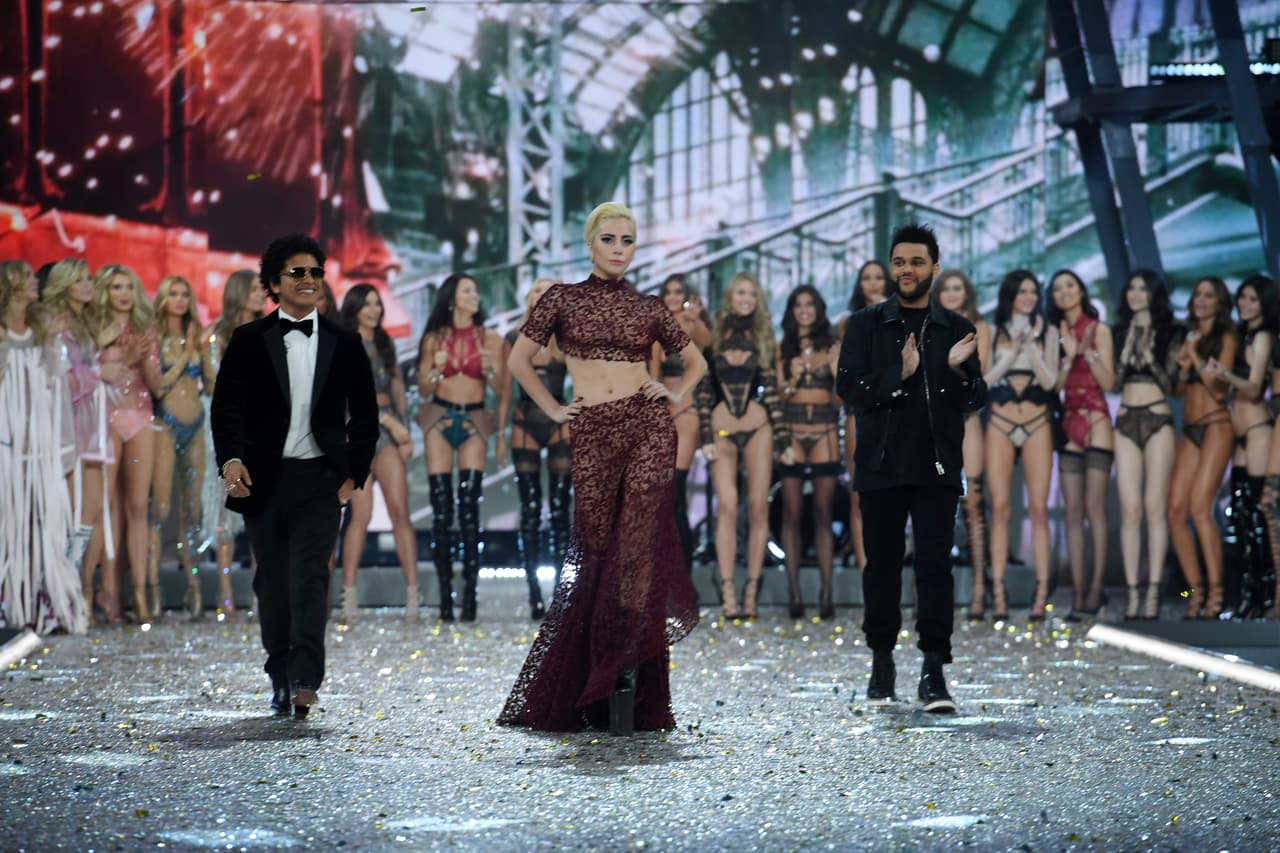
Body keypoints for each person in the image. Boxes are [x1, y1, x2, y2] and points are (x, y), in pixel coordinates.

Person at [498, 202, 706, 735]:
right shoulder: (561, 299)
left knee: (634, 549)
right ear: (590, 244)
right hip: (591, 430)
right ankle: (596, 675)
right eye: (609, 239)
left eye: (627, 241)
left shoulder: (649, 306)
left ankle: (626, 676)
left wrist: (674, 393)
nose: (618, 249)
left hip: (647, 426)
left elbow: (697, 362)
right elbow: (518, 360)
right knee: (595, 549)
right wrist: (552, 408)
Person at [212, 233, 377, 718]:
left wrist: (355, 474)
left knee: (311, 578)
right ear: (274, 282)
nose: (309, 280)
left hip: (321, 479)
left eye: (315, 272)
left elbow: (365, 414)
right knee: (272, 582)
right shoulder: (249, 340)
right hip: (263, 478)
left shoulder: (345, 342)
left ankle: (306, 679)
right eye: (297, 272)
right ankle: (279, 673)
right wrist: (231, 462)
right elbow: (227, 408)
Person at [837, 223, 985, 713]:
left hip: (936, 463)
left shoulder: (956, 327)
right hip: (880, 462)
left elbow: (974, 398)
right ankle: (881, 662)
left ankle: (934, 669)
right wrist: (897, 374)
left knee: (934, 567)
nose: (906, 270)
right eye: (899, 261)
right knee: (881, 566)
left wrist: (961, 369)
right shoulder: (865, 324)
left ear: (934, 268)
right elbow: (848, 388)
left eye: (916, 262)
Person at [0, 260, 86, 635]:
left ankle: (41, 599)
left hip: (39, 443)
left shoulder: (42, 328)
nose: (35, 282)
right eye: (26, 278)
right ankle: (9, 599)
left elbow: (54, 382)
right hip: (6, 442)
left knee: (41, 521)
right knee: (8, 520)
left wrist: (51, 342)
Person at [698, 271, 790, 620]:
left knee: (757, 507)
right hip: (721, 428)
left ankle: (751, 590)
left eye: (752, 294)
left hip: (758, 427)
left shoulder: (764, 337)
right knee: (727, 505)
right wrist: (705, 436)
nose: (746, 299)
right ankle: (727, 592)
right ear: (730, 298)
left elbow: (773, 393)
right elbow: (703, 389)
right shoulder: (713, 336)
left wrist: (783, 440)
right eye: (740, 293)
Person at [415, 273, 502, 621]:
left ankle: (469, 597)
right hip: (439, 416)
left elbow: (501, 387)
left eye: (476, 291)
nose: (474, 296)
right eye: (468, 290)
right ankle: (445, 599)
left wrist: (491, 371)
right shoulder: (433, 339)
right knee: (441, 509)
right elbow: (424, 388)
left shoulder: (490, 338)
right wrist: (436, 371)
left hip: (474, 418)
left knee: (469, 506)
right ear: (452, 298)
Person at [42, 258, 122, 623]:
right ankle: (56, 596)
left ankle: (72, 588)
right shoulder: (56, 328)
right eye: (81, 280)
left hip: (94, 430)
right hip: (68, 431)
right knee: (70, 515)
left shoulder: (86, 327)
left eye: (89, 278)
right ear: (64, 286)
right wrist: (99, 371)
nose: (90, 284)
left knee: (89, 513)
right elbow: (60, 384)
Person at [337, 284, 418, 623]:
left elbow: (397, 389)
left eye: (377, 304)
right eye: (367, 304)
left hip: (387, 435)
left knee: (401, 512)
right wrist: (388, 421)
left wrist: (404, 430)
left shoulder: (385, 343)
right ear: (354, 308)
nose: (374, 310)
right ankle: (349, 597)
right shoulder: (344, 344)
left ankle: (413, 597)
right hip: (355, 432)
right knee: (361, 515)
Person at [983, 271, 1059, 621]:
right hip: (1000, 421)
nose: (1028, 297)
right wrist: (1009, 354)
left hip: (1037, 421)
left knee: (1039, 510)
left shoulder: (1049, 332)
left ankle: (1041, 592)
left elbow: (1050, 382)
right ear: (1010, 295)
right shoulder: (992, 331)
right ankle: (997, 591)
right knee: (1000, 509)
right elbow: (983, 382)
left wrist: (1030, 346)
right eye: (1022, 291)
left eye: (1033, 291)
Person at [498, 277, 572, 620]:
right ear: (530, 297)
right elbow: (505, 390)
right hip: (524, 420)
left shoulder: (568, 337)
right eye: (538, 289)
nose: (543, 294)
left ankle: (560, 594)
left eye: (550, 290)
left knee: (559, 510)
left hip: (559, 421)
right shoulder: (514, 337)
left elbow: (586, 379)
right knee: (529, 510)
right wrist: (500, 434)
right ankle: (533, 594)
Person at [93, 264, 163, 623]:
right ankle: (108, 592)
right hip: (105, 416)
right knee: (108, 508)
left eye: (128, 287)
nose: (123, 294)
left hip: (139, 416)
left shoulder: (144, 329)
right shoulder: (96, 328)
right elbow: (87, 371)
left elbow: (156, 384)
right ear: (104, 292)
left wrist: (144, 356)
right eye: (116, 287)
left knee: (137, 507)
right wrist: (121, 355)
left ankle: (139, 592)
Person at [1206, 275, 1277, 619]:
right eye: (1242, 298)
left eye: (1252, 298)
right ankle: (1249, 596)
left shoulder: (1263, 337)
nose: (1245, 304)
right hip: (1241, 436)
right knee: (1241, 514)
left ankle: (1267, 594)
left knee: (1260, 514)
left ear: (1265, 302)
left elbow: (1253, 387)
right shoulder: (1242, 335)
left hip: (1258, 429)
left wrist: (1225, 375)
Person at [1168, 277, 1238, 619]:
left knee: (1199, 508)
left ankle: (1217, 593)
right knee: (1175, 511)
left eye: (1208, 296)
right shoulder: (1189, 335)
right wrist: (1183, 369)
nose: (1200, 300)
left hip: (1216, 424)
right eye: (1197, 294)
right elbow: (1178, 392)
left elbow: (1219, 389)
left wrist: (1195, 356)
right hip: (1190, 428)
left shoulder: (1226, 338)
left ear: (1220, 303)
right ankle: (1193, 592)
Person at [1048, 270, 1115, 620]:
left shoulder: (1099, 329)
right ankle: (1077, 591)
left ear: (1081, 291)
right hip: (1069, 419)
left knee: (1094, 509)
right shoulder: (1054, 333)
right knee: (1072, 512)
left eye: (1070, 285)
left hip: (1097, 418)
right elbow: (1054, 386)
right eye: (1058, 288)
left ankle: (1095, 588)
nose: (1064, 292)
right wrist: (1068, 355)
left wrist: (1088, 354)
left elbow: (1110, 381)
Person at [1112, 270, 1179, 620]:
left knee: (1155, 507)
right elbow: (1113, 383)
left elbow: (1172, 385)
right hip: (1125, 417)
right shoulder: (1118, 331)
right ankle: (1132, 593)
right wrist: (1125, 352)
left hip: (1157, 416)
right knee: (1130, 510)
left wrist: (1151, 354)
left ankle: (1153, 591)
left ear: (1154, 294)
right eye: (1132, 288)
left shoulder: (1170, 332)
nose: (1136, 294)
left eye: (1143, 288)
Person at [200, 270, 264, 617]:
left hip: (262, 430)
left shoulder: (269, 331)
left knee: (260, 512)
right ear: (239, 292)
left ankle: (260, 592)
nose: (260, 293)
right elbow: (215, 382)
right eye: (253, 288)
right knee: (224, 510)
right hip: (227, 427)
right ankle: (224, 592)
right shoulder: (219, 334)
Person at [149, 275, 212, 620]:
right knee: (160, 510)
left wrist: (207, 351)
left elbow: (210, 384)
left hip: (197, 423)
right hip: (166, 424)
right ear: (162, 298)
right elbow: (158, 387)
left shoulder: (196, 337)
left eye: (184, 294)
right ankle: (153, 588)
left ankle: (194, 587)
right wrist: (186, 355)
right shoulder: (154, 337)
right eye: (172, 293)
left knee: (193, 510)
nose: (179, 300)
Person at [777, 284, 841, 619]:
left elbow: (841, 400)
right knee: (791, 514)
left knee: (823, 512)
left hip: (824, 431)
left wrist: (834, 369)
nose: (804, 310)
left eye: (810, 304)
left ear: (818, 310)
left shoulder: (832, 346)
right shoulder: (782, 348)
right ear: (791, 311)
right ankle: (794, 594)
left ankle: (827, 593)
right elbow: (777, 397)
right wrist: (792, 378)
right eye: (798, 304)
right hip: (791, 430)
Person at [931, 270, 992, 619]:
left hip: (967, 419)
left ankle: (980, 590)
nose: (953, 293)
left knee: (973, 502)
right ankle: (930, 594)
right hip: (933, 421)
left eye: (958, 288)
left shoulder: (979, 328)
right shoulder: (928, 326)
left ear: (966, 292)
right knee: (931, 503)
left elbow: (979, 377)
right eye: (947, 288)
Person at [650, 274, 713, 573]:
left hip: (688, 411)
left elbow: (708, 345)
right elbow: (652, 374)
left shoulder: (692, 323)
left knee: (674, 490)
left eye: (679, 291)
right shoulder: (655, 327)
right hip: (662, 413)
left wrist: (695, 319)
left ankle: (682, 580)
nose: (673, 296)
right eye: (668, 291)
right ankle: (667, 577)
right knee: (663, 499)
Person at [838, 260, 893, 569]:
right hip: (859, 413)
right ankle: (866, 572)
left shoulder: (902, 318)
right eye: (866, 278)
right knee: (860, 494)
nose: (873, 283)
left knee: (893, 496)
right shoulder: (849, 323)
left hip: (894, 413)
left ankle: (888, 568)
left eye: (878, 277)